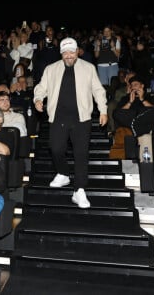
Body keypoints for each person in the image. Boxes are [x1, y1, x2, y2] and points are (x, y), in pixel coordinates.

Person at [33, 37, 108, 209]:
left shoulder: (88, 68)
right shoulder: (51, 69)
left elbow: (98, 90)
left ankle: (79, 190)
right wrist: (38, 99)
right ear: (61, 53)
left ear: (77, 52)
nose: (68, 56)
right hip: (58, 117)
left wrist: (103, 110)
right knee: (56, 148)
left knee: (81, 153)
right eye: (65, 52)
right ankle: (63, 173)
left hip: (81, 118)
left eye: (71, 52)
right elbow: (41, 87)